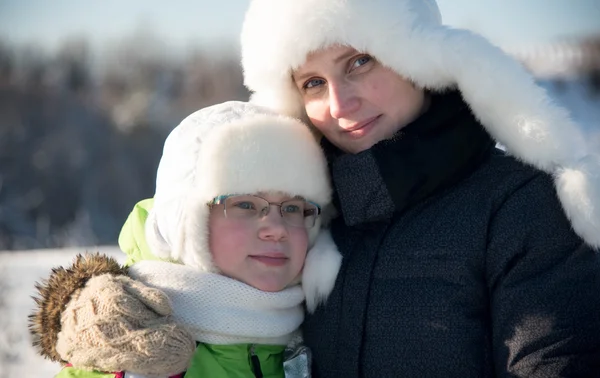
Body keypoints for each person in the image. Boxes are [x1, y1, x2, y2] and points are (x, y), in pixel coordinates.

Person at [238, 0, 600, 376]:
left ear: (418, 58)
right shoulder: (302, 220)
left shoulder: (520, 202)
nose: (340, 104)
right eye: (313, 83)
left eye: (359, 61)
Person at [29, 101, 342, 378]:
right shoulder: (119, 352)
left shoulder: (325, 335)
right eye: (245, 204)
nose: (277, 227)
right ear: (184, 220)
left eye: (293, 207)